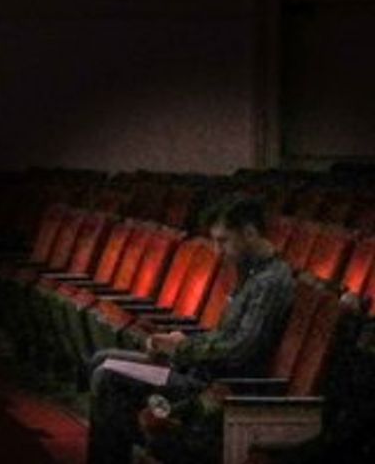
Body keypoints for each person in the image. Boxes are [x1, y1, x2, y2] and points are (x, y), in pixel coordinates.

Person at [85, 194, 295, 464]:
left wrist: (182, 348)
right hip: (200, 372)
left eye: (223, 241)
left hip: (215, 388)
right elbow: (226, 336)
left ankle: (148, 446)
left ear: (250, 233)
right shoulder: (252, 273)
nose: (218, 252)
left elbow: (242, 349)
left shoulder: (270, 282)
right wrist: (182, 339)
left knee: (107, 377)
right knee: (102, 359)